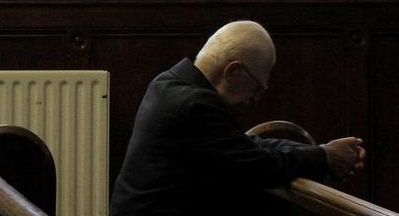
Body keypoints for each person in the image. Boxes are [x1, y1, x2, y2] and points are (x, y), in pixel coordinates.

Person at [110, 20, 367, 216]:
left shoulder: (168, 83)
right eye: (257, 88)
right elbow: (258, 165)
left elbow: (245, 146)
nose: (255, 99)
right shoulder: (194, 105)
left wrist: (321, 151)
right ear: (233, 71)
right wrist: (325, 157)